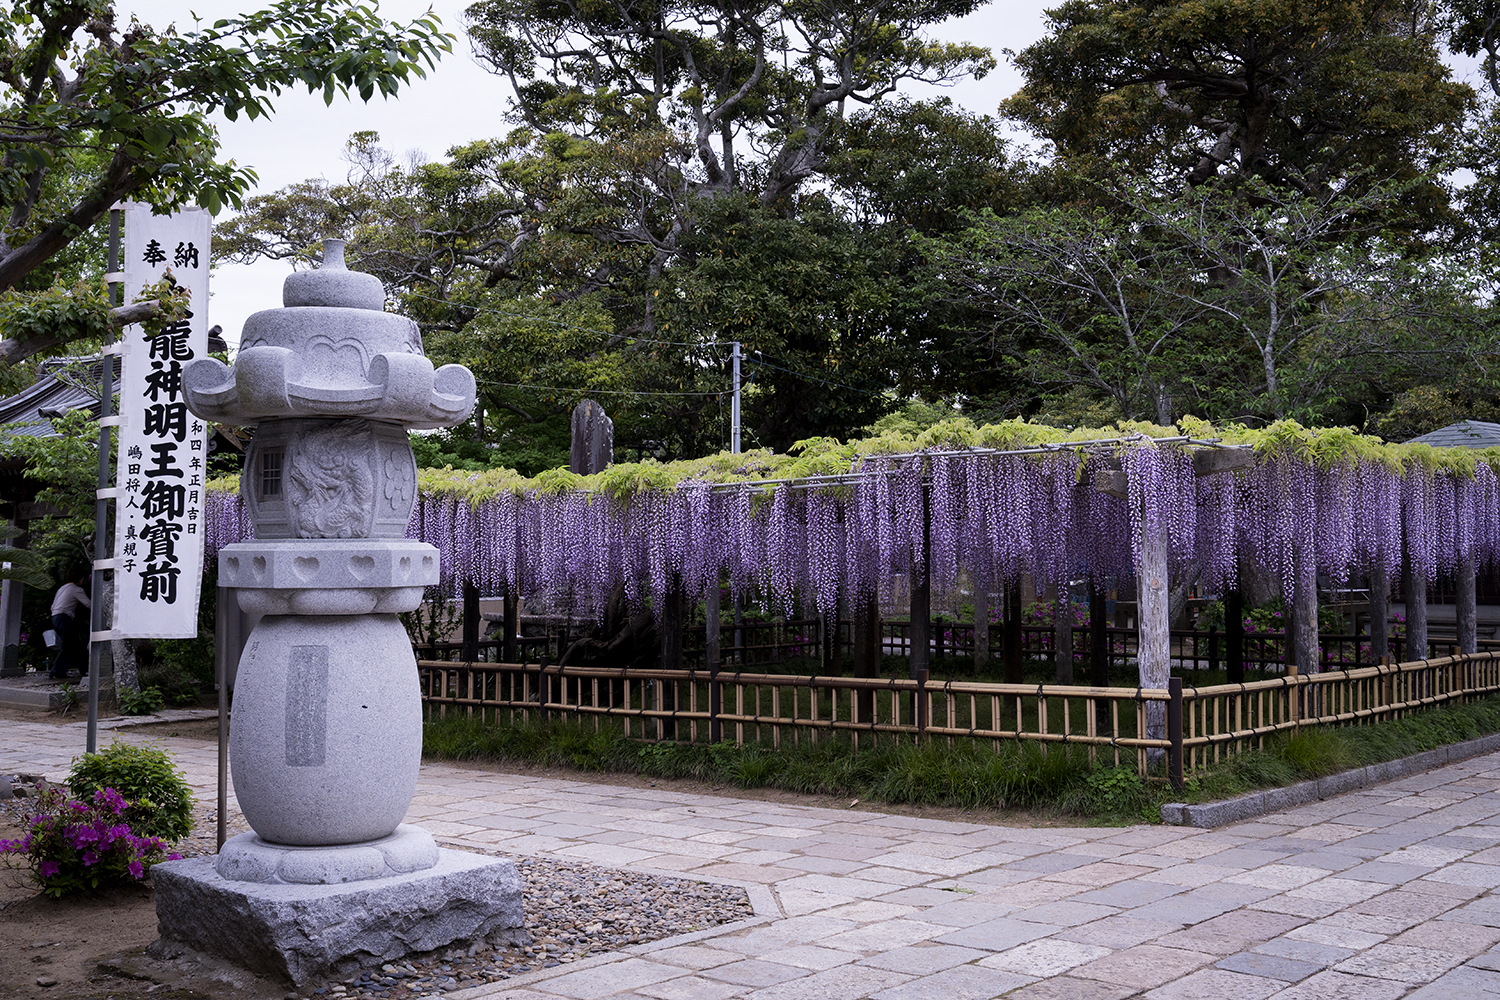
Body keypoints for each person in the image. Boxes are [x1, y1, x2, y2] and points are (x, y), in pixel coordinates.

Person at [48, 571, 90, 680]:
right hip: (64, 618)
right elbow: (88, 604)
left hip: (55, 617)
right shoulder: (77, 590)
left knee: (75, 645)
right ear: (80, 578)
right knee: (67, 646)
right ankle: (56, 671)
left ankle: (83, 669)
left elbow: (53, 606)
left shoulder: (62, 588)